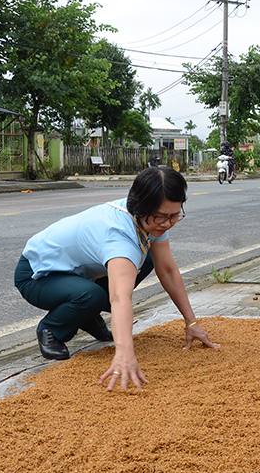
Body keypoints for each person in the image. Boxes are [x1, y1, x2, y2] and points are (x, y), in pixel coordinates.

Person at [14, 167, 220, 390]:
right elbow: (120, 297)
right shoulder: (119, 236)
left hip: (77, 273)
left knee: (148, 259)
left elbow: (168, 271)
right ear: (141, 206)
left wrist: (192, 323)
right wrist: (124, 353)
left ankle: (86, 314)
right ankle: (52, 328)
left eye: (174, 215)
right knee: (92, 295)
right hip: (37, 275)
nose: (167, 223)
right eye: (161, 216)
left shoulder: (151, 220)